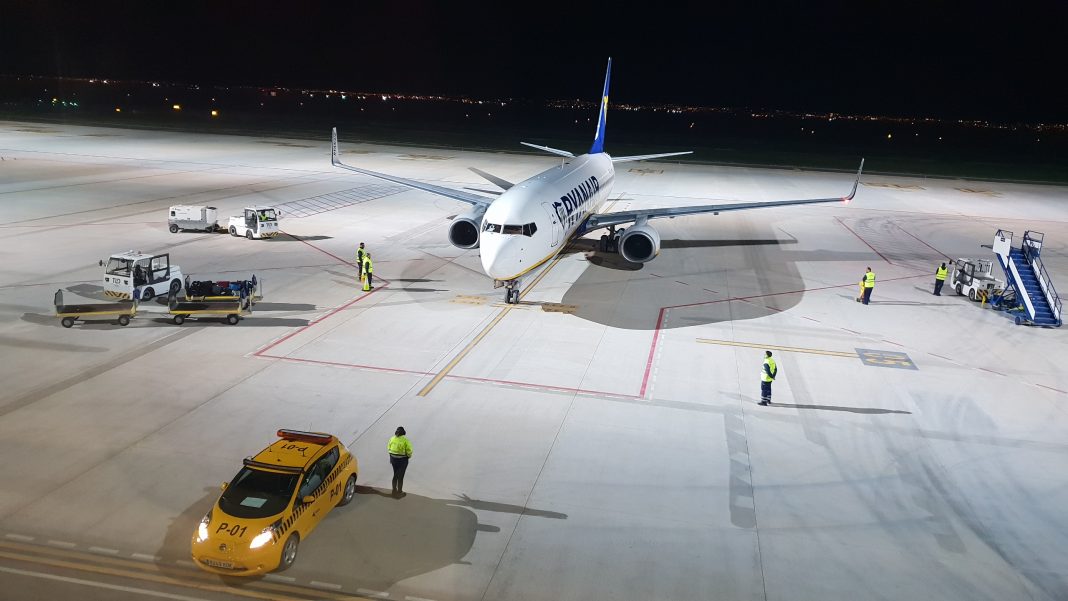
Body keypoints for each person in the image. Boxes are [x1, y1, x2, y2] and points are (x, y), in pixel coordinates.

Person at [388, 427, 413, 496]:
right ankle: (399, 491)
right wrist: (409, 456)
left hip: (393, 459)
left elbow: (389, 448)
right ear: (403, 432)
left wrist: (391, 457)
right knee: (401, 476)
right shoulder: (405, 440)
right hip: (402, 460)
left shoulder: (392, 438)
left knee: (395, 474)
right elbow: (409, 450)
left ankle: (394, 490)